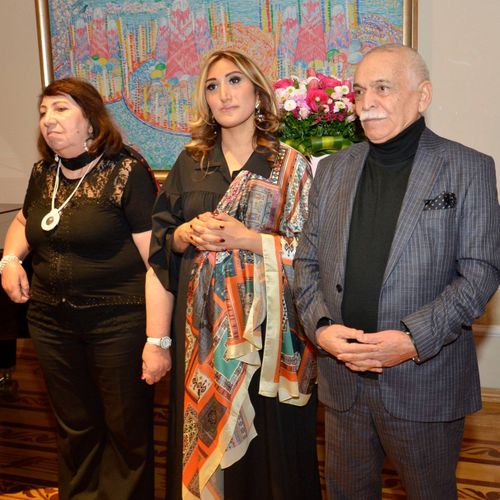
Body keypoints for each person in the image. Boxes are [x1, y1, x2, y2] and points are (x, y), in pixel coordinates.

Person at [294, 44, 500, 499]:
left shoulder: (468, 168)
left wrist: (410, 341)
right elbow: (305, 263)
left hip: (423, 382)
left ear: (422, 95)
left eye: (382, 89)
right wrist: (321, 328)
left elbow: (480, 274)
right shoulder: (332, 170)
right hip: (343, 380)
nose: (366, 103)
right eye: (359, 91)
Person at [147, 49, 320, 500]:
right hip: (202, 336)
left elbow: (313, 253)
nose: (223, 94)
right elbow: (162, 242)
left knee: (272, 456)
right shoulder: (191, 162)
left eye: (234, 80)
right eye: (212, 85)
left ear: (258, 93)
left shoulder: (290, 164)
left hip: (267, 339)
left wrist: (247, 239)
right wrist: (185, 233)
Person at [0, 77, 164, 499]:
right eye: (43, 112)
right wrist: (9, 259)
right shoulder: (44, 173)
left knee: (126, 432)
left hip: (118, 325)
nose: (48, 120)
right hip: (50, 324)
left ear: (91, 119)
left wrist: (157, 340)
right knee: (75, 429)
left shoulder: (127, 171)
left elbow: (157, 264)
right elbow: (23, 221)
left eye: (61, 109)